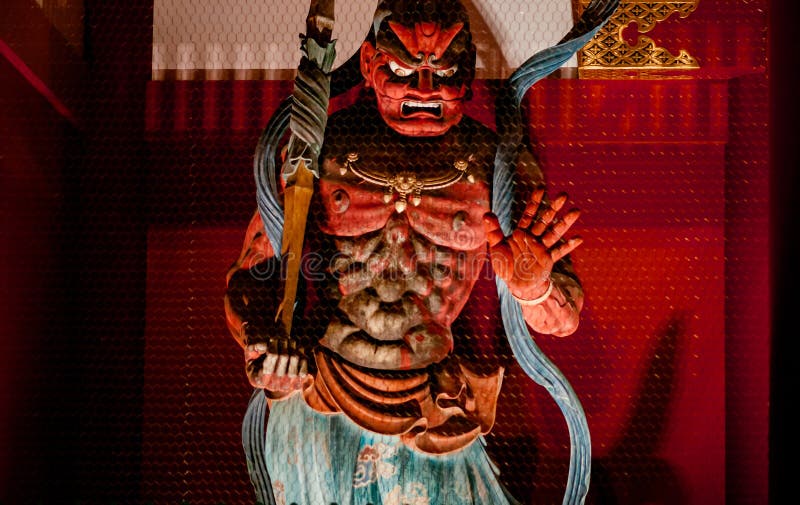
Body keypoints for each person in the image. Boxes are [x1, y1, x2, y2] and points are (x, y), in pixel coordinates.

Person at [224, 0, 616, 502]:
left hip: (437, 406)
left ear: (470, 72)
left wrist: (534, 287)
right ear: (368, 64)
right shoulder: (314, 151)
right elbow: (250, 276)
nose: (424, 92)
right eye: (404, 71)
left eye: (444, 73)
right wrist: (264, 338)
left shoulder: (492, 166)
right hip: (321, 394)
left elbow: (562, 319)